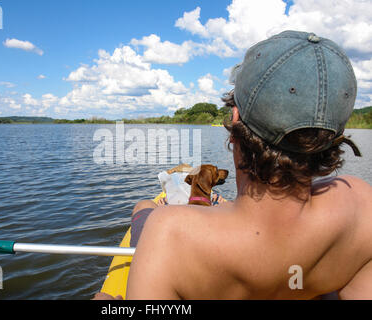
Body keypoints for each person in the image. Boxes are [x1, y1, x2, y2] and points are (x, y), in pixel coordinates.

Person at [97, 30, 372, 300]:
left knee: (144, 208)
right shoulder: (361, 206)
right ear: (333, 135)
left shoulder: (168, 234)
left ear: (235, 120)